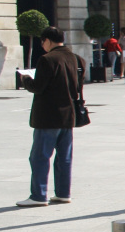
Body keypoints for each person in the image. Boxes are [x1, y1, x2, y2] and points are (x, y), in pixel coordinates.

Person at [16, 26, 84, 207]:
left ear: (47, 40)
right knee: (64, 156)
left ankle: (38, 195)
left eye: (42, 41)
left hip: (48, 116)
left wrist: (25, 79)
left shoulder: (48, 59)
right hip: (68, 115)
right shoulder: (76, 58)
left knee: (40, 156)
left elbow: (38, 86)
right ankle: (63, 193)